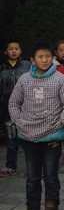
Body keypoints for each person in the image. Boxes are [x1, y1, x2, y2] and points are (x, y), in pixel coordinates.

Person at [9, 41, 64, 210]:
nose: (45, 60)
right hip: (29, 136)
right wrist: (19, 122)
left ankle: (51, 209)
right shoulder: (24, 80)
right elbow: (13, 103)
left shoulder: (60, 79)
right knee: (32, 177)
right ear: (32, 60)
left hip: (52, 137)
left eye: (48, 56)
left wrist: (61, 123)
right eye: (40, 57)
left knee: (51, 176)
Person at [0, 41, 30, 177]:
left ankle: (33, 165)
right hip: (7, 107)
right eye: (10, 49)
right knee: (11, 138)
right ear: (6, 52)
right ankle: (11, 166)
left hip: (25, 106)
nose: (13, 51)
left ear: (20, 51)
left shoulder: (27, 66)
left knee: (28, 137)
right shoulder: (2, 68)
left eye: (16, 48)